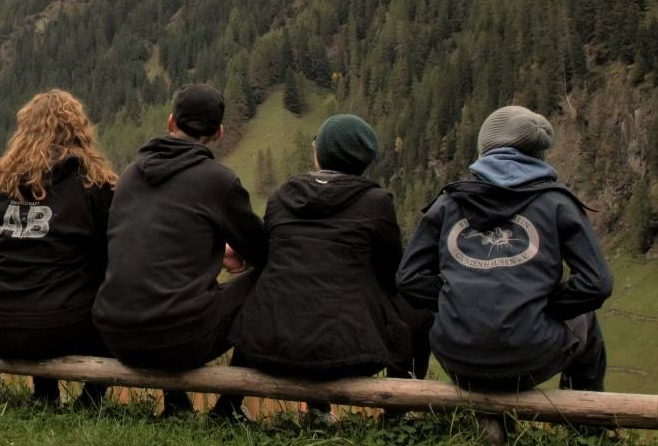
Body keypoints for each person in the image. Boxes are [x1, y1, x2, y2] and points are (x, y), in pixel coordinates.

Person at [396, 105, 612, 393]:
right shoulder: (559, 205)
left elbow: (408, 279)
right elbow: (596, 285)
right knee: (587, 322)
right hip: (531, 358)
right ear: (538, 154)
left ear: (485, 149)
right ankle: (586, 423)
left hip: (458, 359)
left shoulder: (447, 204)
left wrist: (459, 300)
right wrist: (544, 307)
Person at [95, 83, 267, 420]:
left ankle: (176, 404)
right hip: (178, 342)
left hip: (114, 333)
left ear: (171, 122)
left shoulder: (130, 175)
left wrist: (218, 252)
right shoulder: (218, 181)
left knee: (162, 291)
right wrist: (235, 254)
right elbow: (264, 252)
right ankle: (229, 408)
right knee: (266, 278)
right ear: (218, 133)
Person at [233, 115, 424, 397]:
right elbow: (391, 272)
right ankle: (399, 411)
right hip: (349, 354)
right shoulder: (376, 203)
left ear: (320, 153)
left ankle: (228, 406)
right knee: (418, 304)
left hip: (269, 348)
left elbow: (269, 259)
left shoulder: (282, 196)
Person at [0, 90, 117, 408]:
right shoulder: (94, 188)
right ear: (80, 132)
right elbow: (113, 259)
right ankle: (91, 400)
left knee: (37, 270)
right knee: (94, 289)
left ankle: (45, 393)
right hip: (61, 327)